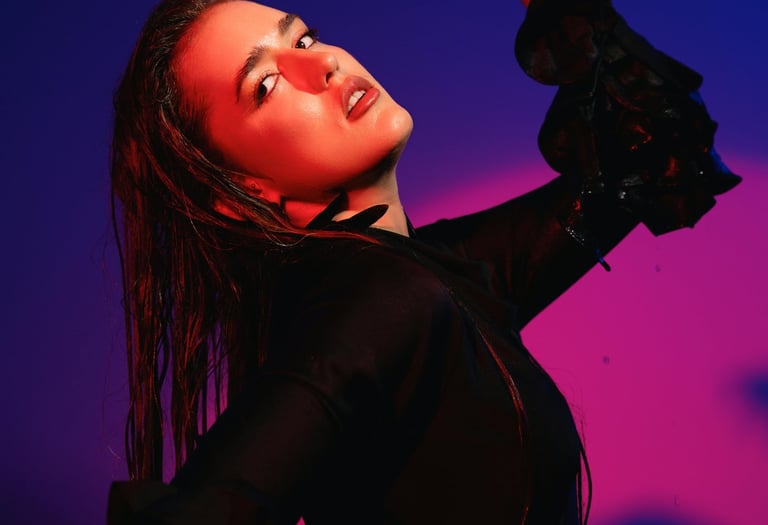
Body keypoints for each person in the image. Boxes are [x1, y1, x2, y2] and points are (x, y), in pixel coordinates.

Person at [106, 0, 740, 523]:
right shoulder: (378, 294)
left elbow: (648, 156)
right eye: (266, 86)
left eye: (303, 39)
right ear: (240, 191)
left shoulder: (427, 268)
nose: (322, 65)